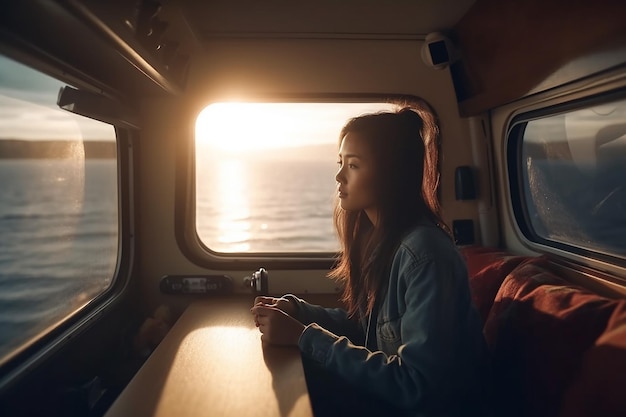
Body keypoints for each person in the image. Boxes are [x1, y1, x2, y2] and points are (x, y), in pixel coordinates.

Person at [251, 103, 493, 417]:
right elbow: (371, 331)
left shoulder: (425, 256)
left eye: (353, 165)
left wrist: (302, 336)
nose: (338, 176)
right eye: (340, 162)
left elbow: (418, 387)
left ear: (390, 173)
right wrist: (298, 310)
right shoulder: (383, 242)